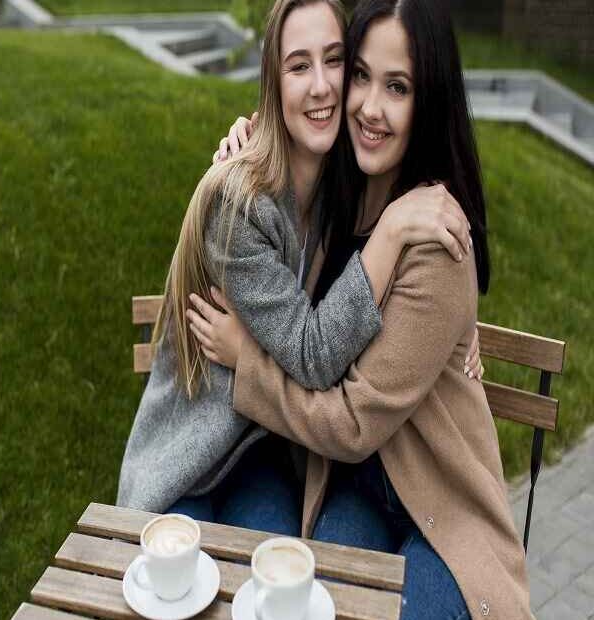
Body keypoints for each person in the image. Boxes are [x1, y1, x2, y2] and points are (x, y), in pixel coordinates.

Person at [189, 0, 529, 618]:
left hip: (439, 513)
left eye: (397, 87)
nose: (369, 106)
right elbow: (287, 151)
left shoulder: (431, 238)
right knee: (312, 599)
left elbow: (349, 427)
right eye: (363, 76)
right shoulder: (341, 190)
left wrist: (248, 365)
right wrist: (251, 132)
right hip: (358, 489)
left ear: (430, 103)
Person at [117, 0, 478, 539]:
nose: (322, 87)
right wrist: (393, 230)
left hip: (263, 458)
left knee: (278, 585)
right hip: (186, 468)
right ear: (272, 81)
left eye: (335, 62)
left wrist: (464, 318)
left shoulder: (342, 180)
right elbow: (313, 357)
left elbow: (433, 250)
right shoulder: (240, 206)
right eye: (298, 66)